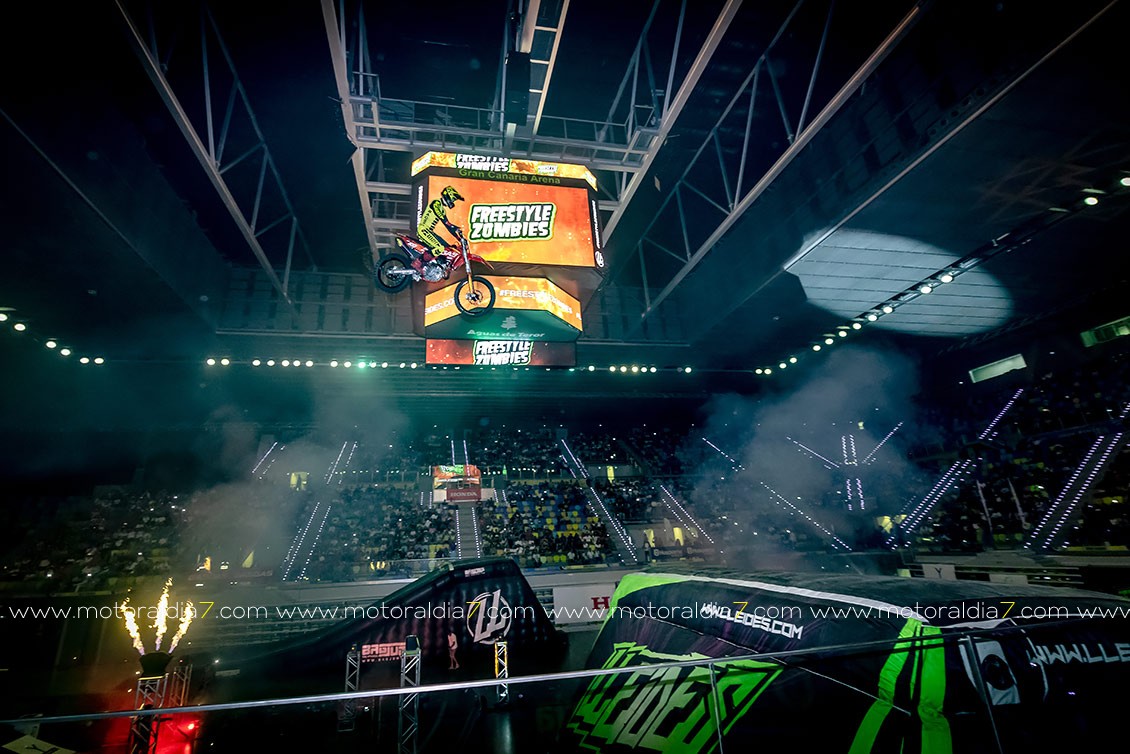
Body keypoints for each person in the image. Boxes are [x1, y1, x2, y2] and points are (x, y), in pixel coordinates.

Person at [417, 186, 465, 258]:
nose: (452, 202)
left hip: (429, 231)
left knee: (448, 249)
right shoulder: (436, 203)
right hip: (423, 230)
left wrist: (459, 238)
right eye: (453, 200)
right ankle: (420, 262)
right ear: (448, 196)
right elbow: (444, 221)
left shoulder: (442, 210)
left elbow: (448, 226)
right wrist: (455, 227)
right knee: (440, 248)